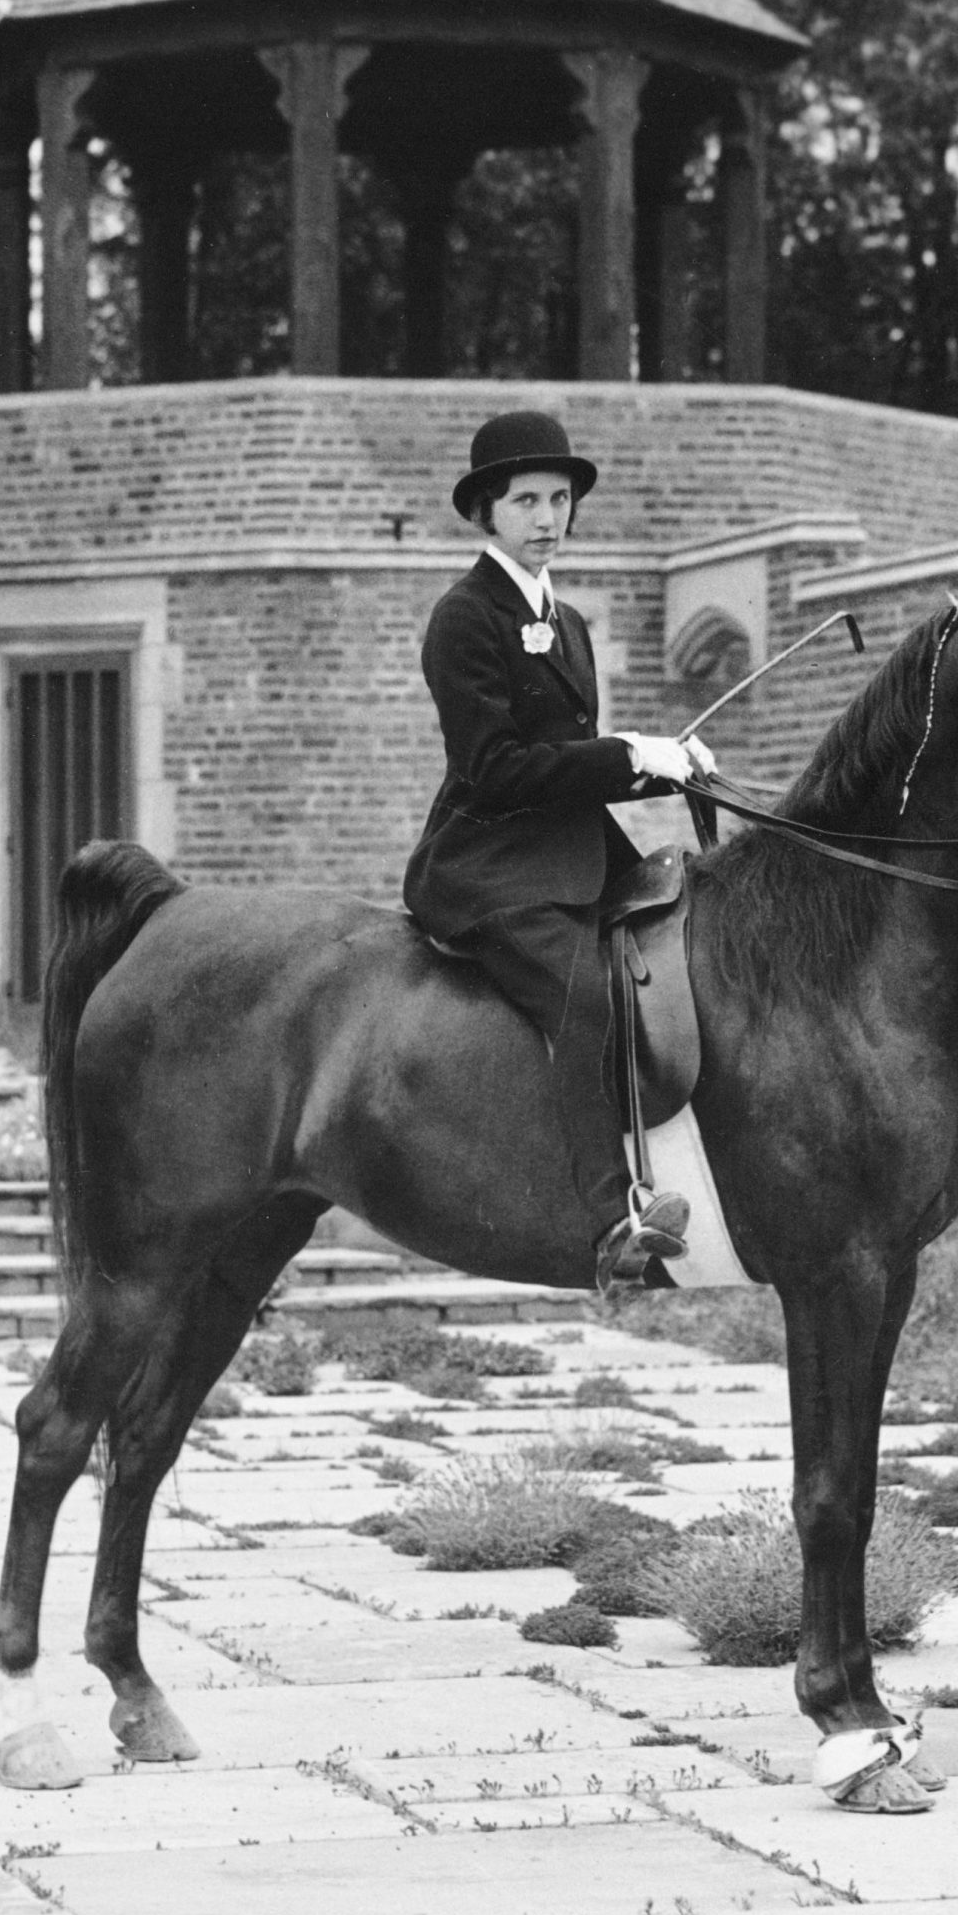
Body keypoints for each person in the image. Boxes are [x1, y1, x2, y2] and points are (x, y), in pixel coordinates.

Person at [404, 409, 714, 1293]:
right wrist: (628, 753)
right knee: (588, 998)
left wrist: (669, 767)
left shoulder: (568, 620)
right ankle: (611, 1219)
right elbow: (496, 769)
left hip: (576, 850)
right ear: (487, 513)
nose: (548, 517)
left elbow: (568, 764)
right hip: (490, 864)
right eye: (527, 500)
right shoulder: (463, 618)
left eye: (560, 500)